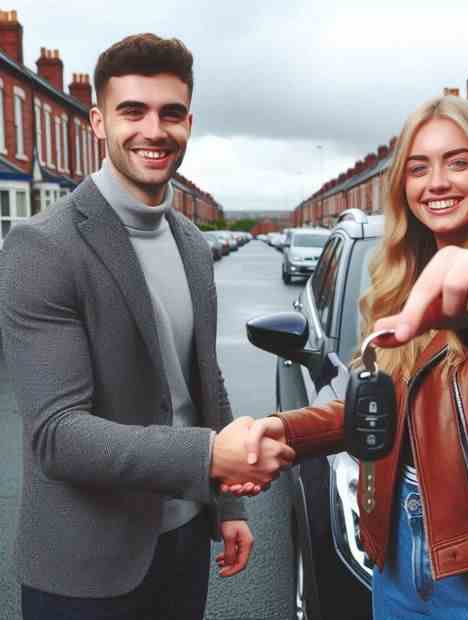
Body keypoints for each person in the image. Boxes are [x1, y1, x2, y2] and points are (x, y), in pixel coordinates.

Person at [231, 95, 468, 619]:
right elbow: (377, 408)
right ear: (403, 188)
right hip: (394, 560)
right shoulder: (394, 285)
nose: (436, 182)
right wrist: (283, 431)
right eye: (419, 168)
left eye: (457, 162)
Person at [0, 34, 293, 620]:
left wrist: (228, 509)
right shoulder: (42, 246)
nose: (154, 130)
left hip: (183, 544)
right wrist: (212, 455)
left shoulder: (190, 241)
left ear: (189, 122)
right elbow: (58, 436)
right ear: (98, 122)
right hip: (85, 571)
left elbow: (203, 382)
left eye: (171, 113)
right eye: (132, 111)